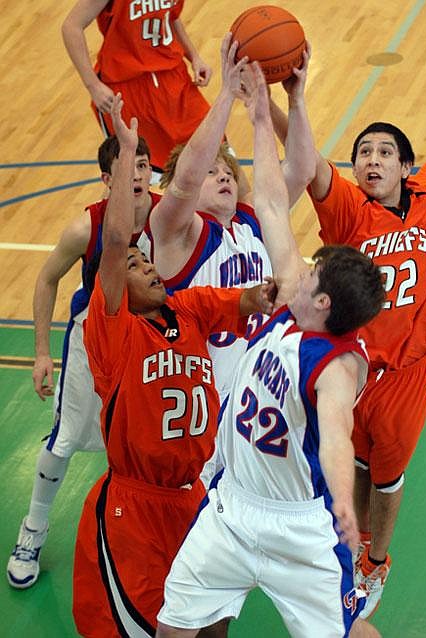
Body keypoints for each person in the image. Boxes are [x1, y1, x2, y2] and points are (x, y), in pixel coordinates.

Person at [155, 61, 385, 638]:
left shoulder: (337, 365)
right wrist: (260, 114)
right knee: (174, 629)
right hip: (232, 507)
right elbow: (275, 205)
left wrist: (344, 509)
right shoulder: (292, 300)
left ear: (324, 303)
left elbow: (335, 436)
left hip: (300, 530)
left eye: (314, 271)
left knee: (350, 634)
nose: (301, 266)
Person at [73, 94, 274, 638]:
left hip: (194, 495)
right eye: (133, 267)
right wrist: (129, 156)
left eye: (147, 260)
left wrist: (282, 294)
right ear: (113, 287)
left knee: (215, 618)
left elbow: (250, 299)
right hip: (135, 508)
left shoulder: (186, 309)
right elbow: (116, 242)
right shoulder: (113, 331)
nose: (145, 266)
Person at [269, 103, 426, 615]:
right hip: (353, 366)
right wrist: (284, 97)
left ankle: (377, 561)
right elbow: (309, 158)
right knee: (354, 461)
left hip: (409, 369)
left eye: (385, 152)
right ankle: (353, 548)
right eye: (363, 153)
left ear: (407, 167)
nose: (372, 160)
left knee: (387, 476)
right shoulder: (348, 211)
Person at [6, 133, 159, 589]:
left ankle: (141, 536)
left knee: (142, 446)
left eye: (144, 164)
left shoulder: (169, 217)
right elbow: (46, 278)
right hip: (91, 340)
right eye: (127, 166)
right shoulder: (86, 227)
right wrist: (40, 354)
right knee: (65, 438)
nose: (137, 174)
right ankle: (32, 531)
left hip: (147, 343)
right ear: (106, 179)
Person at [149, 33, 315, 404]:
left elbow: (303, 168)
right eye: (212, 171)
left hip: (254, 397)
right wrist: (225, 95)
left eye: (227, 170)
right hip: (199, 405)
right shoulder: (177, 231)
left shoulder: (251, 218)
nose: (224, 175)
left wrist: (294, 100)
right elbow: (187, 178)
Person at [62, 0, 212, 175]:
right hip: (128, 88)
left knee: (217, 154)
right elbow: (71, 27)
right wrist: (93, 85)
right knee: (136, 176)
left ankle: (246, 202)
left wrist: (194, 56)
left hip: (174, 79)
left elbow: (169, 16)